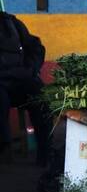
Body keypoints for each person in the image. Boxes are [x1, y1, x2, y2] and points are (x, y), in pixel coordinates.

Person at [0, 11, 52, 166]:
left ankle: (45, 152)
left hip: (19, 79)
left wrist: (30, 69)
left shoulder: (10, 22)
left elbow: (36, 47)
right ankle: (4, 149)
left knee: (39, 94)